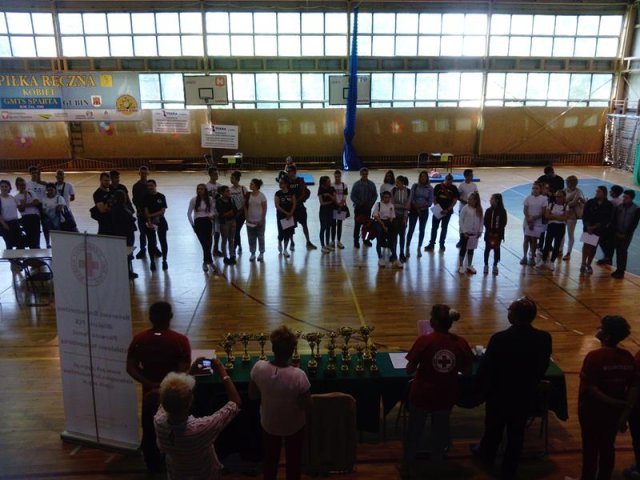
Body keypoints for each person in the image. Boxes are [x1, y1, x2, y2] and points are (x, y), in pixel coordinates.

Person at [472, 296, 552, 480]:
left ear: (514, 316)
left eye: (510, 310)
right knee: (517, 433)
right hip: (525, 394)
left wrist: (479, 389)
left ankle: (487, 457)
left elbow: (487, 368)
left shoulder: (500, 339)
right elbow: (543, 365)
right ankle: (510, 469)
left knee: (493, 429)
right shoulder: (544, 338)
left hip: (499, 394)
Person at [403, 305, 473, 473]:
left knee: (415, 429)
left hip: (422, 394)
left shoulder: (424, 341)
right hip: (445, 395)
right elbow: (468, 371)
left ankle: (409, 463)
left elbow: (409, 370)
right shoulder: (461, 343)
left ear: (433, 322)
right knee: (440, 430)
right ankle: (438, 464)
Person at [126, 302, 192, 473]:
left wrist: (148, 383)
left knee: (149, 431)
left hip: (149, 395)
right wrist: (166, 385)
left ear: (150, 317)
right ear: (171, 317)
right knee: (176, 427)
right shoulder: (180, 341)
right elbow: (183, 369)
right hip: (173, 395)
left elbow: (130, 367)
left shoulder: (139, 339)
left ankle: (152, 467)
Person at [579, 315, 638, 480]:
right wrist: (624, 413)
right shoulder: (627, 357)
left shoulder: (594, 357)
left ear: (606, 336)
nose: (597, 329)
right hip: (614, 413)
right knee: (608, 446)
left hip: (592, 411)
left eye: (601, 328)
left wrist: (614, 402)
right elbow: (633, 387)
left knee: (590, 448)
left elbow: (591, 388)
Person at [155, 368, 241, 480]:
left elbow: (170, 395)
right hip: (206, 475)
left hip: (176, 474)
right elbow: (235, 403)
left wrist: (188, 373)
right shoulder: (200, 428)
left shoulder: (158, 421)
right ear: (190, 401)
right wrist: (222, 372)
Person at [249, 326, 311, 480]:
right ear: (292, 351)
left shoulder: (258, 368)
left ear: (273, 348)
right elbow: (306, 405)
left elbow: (252, 395)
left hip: (269, 424)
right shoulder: (299, 375)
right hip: (294, 426)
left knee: (270, 461)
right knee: (294, 462)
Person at [581, 186, 613, 275]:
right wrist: (588, 226)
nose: (597, 193)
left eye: (599, 192)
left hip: (598, 230)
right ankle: (583, 263)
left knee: (593, 247)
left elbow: (607, 219)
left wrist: (594, 227)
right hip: (588, 228)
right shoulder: (590, 202)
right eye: (596, 191)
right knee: (586, 246)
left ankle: (588, 264)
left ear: (604, 193)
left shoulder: (608, 205)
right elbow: (585, 215)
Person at [610, 190, 640, 279]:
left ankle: (621, 271)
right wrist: (616, 231)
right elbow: (614, 220)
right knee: (618, 251)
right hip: (617, 232)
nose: (624, 199)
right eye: (624, 197)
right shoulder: (619, 207)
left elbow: (634, 223)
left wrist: (626, 234)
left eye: (626, 197)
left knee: (623, 251)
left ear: (631, 198)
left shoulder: (636, 209)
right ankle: (618, 269)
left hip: (627, 235)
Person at [425, 173, 458, 252]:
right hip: (438, 211)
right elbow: (434, 198)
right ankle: (432, 244)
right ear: (445, 180)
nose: (449, 183)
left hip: (447, 212)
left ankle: (442, 244)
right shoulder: (438, 187)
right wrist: (438, 209)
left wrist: (447, 210)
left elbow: (454, 201)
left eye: (450, 182)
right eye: (448, 181)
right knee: (434, 228)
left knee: (444, 228)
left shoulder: (454, 188)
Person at [286, 165, 317, 250]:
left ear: (294, 172)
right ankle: (292, 242)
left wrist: (295, 201)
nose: (288, 173)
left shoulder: (300, 181)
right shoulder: (286, 181)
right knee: (290, 226)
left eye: (290, 171)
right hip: (290, 208)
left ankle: (308, 242)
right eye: (287, 172)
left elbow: (304, 193)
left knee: (304, 225)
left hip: (299, 207)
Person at [406, 171, 433, 259]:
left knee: (422, 230)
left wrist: (421, 207)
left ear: (427, 178)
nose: (423, 178)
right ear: (419, 177)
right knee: (411, 229)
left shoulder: (430, 188)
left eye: (425, 176)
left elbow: (430, 202)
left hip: (424, 211)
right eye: (422, 176)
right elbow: (411, 197)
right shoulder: (415, 186)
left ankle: (419, 248)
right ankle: (407, 247)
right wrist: (416, 207)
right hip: (414, 210)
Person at [111, 189, 138, 279]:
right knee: (126, 254)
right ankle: (126, 272)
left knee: (128, 253)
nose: (125, 198)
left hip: (128, 232)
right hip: (124, 234)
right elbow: (122, 221)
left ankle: (128, 271)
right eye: (123, 197)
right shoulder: (117, 208)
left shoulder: (123, 206)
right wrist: (132, 219)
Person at [143, 179, 169, 271]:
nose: (149, 187)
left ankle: (164, 260)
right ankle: (152, 262)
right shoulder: (145, 197)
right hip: (150, 223)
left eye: (151, 185)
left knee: (163, 241)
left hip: (161, 222)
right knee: (151, 242)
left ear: (155, 186)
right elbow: (146, 212)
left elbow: (162, 211)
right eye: (148, 186)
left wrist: (151, 215)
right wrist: (149, 221)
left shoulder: (161, 196)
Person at [188, 184, 214, 272]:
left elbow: (213, 211)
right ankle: (208, 262)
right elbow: (189, 213)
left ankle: (207, 261)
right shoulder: (194, 200)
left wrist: (211, 215)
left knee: (209, 243)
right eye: (198, 189)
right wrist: (192, 225)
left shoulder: (210, 199)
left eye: (201, 189)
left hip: (207, 222)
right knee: (204, 243)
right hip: (198, 223)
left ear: (205, 190)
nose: (199, 190)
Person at [520, 182, 548, 267]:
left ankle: (532, 256)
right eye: (533, 188)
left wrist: (534, 219)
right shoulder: (528, 198)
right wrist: (529, 219)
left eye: (536, 188)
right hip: (527, 220)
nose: (534, 190)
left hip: (537, 221)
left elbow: (543, 211)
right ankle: (524, 256)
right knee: (526, 238)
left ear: (540, 189)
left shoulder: (544, 199)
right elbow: (525, 210)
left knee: (534, 239)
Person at [597, 184, 625, 266]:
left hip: (611, 226)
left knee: (601, 240)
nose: (610, 192)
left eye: (611, 191)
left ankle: (607, 257)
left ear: (614, 193)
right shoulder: (621, 200)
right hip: (619, 226)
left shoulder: (612, 202)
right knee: (611, 243)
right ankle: (608, 258)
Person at [350, 167, 378, 248]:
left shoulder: (371, 184)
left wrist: (371, 204)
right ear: (360, 174)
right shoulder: (356, 184)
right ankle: (356, 241)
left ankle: (366, 240)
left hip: (367, 209)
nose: (365, 175)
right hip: (358, 208)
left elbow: (375, 195)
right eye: (363, 174)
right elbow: (352, 196)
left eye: (366, 174)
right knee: (357, 225)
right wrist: (359, 203)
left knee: (367, 226)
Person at [541, 189, 568, 271]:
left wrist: (553, 216)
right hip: (551, 226)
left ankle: (552, 262)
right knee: (547, 244)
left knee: (557, 245)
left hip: (560, 227)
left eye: (560, 197)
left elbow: (565, 218)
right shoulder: (551, 205)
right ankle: (543, 260)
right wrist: (559, 217)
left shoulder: (566, 206)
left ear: (564, 197)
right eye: (556, 196)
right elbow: (546, 216)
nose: (558, 198)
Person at [458, 191, 483, 274]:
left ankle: (469, 265)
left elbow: (481, 221)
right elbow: (461, 220)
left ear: (475, 200)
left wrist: (480, 231)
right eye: (468, 199)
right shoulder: (465, 208)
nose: (468, 200)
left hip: (474, 234)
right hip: (465, 233)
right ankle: (461, 266)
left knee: (471, 249)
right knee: (463, 249)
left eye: (470, 199)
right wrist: (464, 232)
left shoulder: (479, 209)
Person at [483, 193, 507, 275]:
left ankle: (495, 265)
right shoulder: (488, 210)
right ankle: (486, 265)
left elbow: (503, 223)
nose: (490, 200)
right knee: (487, 249)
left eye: (491, 199)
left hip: (498, 235)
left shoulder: (502, 211)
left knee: (497, 249)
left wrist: (497, 232)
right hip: (489, 234)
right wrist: (489, 231)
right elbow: (485, 222)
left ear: (496, 200)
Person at [372, 190, 398, 268]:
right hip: (379, 222)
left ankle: (395, 258)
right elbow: (375, 216)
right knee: (379, 239)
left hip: (388, 222)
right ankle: (380, 258)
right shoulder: (378, 204)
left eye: (388, 197)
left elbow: (392, 217)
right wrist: (383, 226)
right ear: (382, 197)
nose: (386, 199)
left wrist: (389, 226)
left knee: (392, 240)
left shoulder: (391, 205)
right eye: (385, 197)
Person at [563, 175, 585, 261]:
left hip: (572, 216)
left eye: (568, 181)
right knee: (561, 233)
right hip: (563, 214)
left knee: (570, 234)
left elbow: (573, 203)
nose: (567, 183)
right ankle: (560, 250)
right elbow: (561, 200)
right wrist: (568, 201)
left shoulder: (578, 192)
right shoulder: (565, 190)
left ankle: (568, 253)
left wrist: (567, 201)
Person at [15, 176, 41, 248]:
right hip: (25, 218)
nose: (23, 186)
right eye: (20, 185)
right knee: (29, 237)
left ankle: (37, 251)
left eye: (24, 184)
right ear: (17, 186)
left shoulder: (31, 192)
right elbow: (21, 209)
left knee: (36, 237)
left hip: (35, 217)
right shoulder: (16, 197)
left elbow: (37, 203)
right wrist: (26, 198)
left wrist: (24, 204)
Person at [245, 178, 267, 262]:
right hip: (250, 221)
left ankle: (261, 253)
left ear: (256, 186)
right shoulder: (248, 195)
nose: (250, 185)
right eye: (250, 184)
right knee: (251, 238)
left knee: (261, 237)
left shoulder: (262, 196)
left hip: (259, 221)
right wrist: (247, 218)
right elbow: (245, 207)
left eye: (252, 184)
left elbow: (264, 209)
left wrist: (262, 220)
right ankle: (252, 253)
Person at [26, 165, 48, 247]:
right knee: (36, 228)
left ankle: (48, 243)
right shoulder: (28, 185)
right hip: (33, 208)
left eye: (36, 172)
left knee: (45, 226)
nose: (34, 174)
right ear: (30, 173)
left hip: (43, 207)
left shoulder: (43, 184)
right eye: (33, 173)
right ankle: (37, 244)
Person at [456, 169, 479, 247]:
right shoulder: (462, 185)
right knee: (462, 224)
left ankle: (469, 239)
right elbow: (458, 197)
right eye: (470, 175)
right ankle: (461, 240)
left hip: (472, 209)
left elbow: (477, 196)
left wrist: (476, 205)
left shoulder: (474, 185)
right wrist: (466, 202)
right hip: (463, 208)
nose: (471, 177)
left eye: (472, 175)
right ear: (465, 176)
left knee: (470, 224)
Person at [216, 185, 238, 266]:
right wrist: (229, 213)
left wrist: (228, 213)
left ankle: (232, 256)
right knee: (224, 240)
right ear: (222, 193)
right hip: (224, 222)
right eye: (227, 191)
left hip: (232, 221)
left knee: (231, 239)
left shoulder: (231, 199)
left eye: (229, 191)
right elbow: (221, 213)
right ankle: (225, 257)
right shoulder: (218, 201)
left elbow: (235, 210)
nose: (229, 192)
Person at [131, 165, 150, 259]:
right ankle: (143, 249)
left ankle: (154, 247)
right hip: (141, 213)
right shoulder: (136, 186)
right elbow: (134, 199)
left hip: (150, 213)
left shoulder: (150, 185)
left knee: (152, 232)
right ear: (139, 174)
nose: (143, 175)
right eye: (142, 173)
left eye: (145, 173)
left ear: (148, 173)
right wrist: (139, 209)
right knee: (142, 233)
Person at [275, 178, 297, 258]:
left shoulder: (291, 193)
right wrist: (286, 213)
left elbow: (294, 203)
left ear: (286, 184)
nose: (280, 184)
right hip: (281, 216)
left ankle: (285, 249)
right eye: (279, 183)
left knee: (288, 233)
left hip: (290, 216)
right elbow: (277, 205)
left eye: (282, 183)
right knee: (281, 233)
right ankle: (279, 242)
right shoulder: (278, 193)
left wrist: (291, 213)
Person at [392, 176, 410, 263]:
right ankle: (394, 253)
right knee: (394, 236)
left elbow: (408, 207)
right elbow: (392, 205)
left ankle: (402, 253)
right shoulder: (393, 190)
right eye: (396, 182)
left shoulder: (408, 191)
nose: (396, 184)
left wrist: (405, 219)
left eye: (398, 182)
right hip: (394, 217)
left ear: (402, 183)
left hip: (403, 217)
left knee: (402, 236)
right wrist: (403, 206)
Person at [206, 167, 223, 257]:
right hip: (209, 212)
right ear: (210, 175)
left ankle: (215, 249)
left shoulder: (220, 186)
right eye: (215, 174)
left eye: (217, 174)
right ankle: (208, 250)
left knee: (217, 230)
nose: (217, 175)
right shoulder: (206, 186)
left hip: (218, 211)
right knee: (210, 232)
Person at [0, 179, 22, 249]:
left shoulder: (12, 198)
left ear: (9, 187)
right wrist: (4, 224)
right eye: (2, 186)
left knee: (19, 244)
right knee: (9, 244)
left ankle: (19, 256)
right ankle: (11, 257)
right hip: (5, 224)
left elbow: (20, 208)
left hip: (15, 223)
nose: (4, 188)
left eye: (6, 186)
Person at [230, 171, 248, 256]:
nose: (231, 179)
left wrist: (241, 211)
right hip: (234, 213)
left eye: (232, 178)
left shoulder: (243, 188)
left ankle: (235, 247)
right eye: (230, 178)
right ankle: (239, 246)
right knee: (235, 230)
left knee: (237, 230)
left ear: (237, 179)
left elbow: (246, 201)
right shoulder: (230, 189)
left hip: (242, 213)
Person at [317, 176, 336, 254]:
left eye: (329, 181)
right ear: (324, 183)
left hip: (330, 211)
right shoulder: (320, 190)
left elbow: (334, 199)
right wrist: (330, 202)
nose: (330, 182)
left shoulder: (332, 188)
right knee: (323, 228)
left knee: (328, 228)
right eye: (328, 181)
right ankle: (322, 246)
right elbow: (321, 203)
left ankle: (327, 244)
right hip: (323, 211)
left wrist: (328, 195)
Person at [331, 170, 348, 250]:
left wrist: (340, 206)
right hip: (333, 207)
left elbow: (344, 197)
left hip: (341, 207)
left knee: (340, 225)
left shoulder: (344, 186)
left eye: (338, 176)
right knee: (333, 225)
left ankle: (338, 241)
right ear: (334, 176)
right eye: (336, 177)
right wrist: (337, 205)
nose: (337, 178)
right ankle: (332, 241)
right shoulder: (331, 186)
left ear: (340, 176)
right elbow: (332, 197)